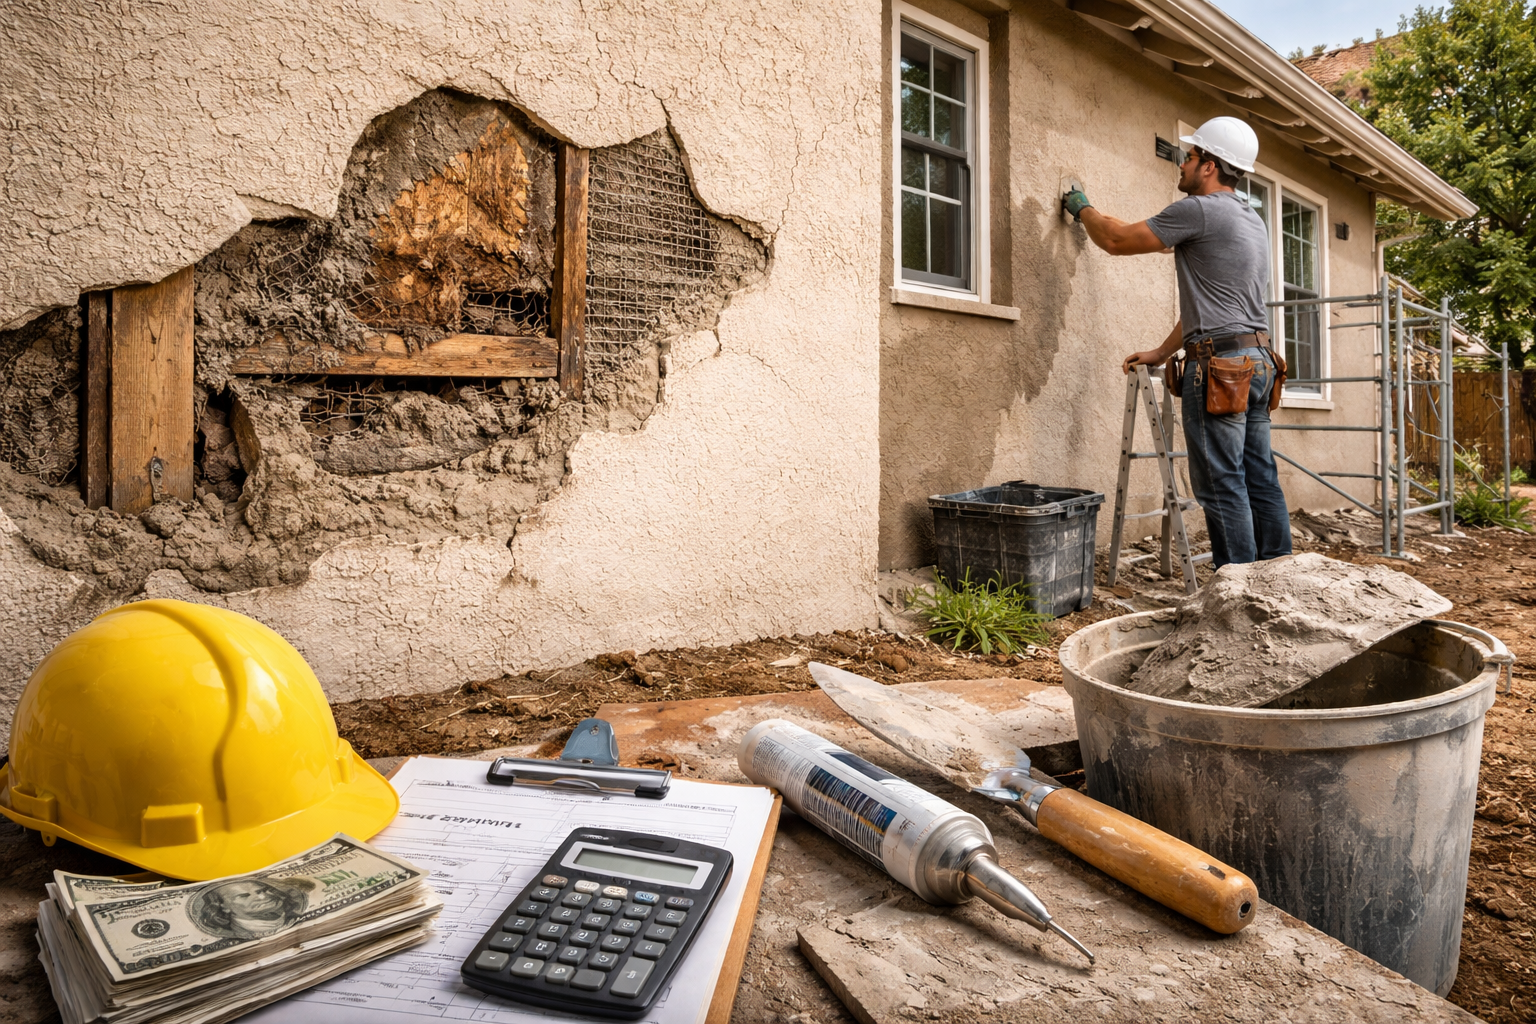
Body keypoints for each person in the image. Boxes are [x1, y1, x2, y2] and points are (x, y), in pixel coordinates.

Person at [1062, 116, 1291, 568]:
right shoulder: (1252, 220)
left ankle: (1238, 589)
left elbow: (1114, 239)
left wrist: (1081, 206)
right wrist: (1164, 352)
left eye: (1189, 157)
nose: (1181, 165)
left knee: (1221, 482)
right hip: (1260, 359)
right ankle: (1277, 578)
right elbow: (1210, 305)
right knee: (1259, 477)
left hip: (1223, 366)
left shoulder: (1198, 211)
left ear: (1209, 166)